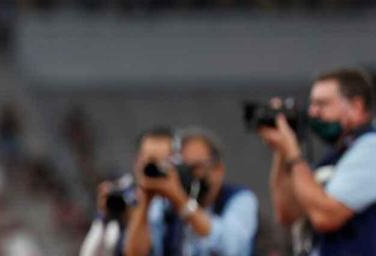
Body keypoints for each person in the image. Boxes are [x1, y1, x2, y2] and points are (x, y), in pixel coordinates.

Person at [258, 67, 376, 255]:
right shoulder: (337, 156)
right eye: (312, 104)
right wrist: (282, 149)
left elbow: (324, 216)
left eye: (322, 104)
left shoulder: (370, 148)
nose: (313, 113)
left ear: (356, 107)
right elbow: (287, 212)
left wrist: (293, 153)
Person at [125, 127, 257, 256]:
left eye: (196, 167)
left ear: (218, 170)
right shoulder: (165, 206)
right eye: (183, 167)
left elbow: (232, 247)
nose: (189, 175)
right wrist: (146, 201)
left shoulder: (239, 199)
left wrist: (181, 201)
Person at [79, 126, 174, 256]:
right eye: (150, 162)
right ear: (137, 162)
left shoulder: (181, 203)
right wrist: (103, 218)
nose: (155, 170)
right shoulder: (124, 196)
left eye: (163, 162)